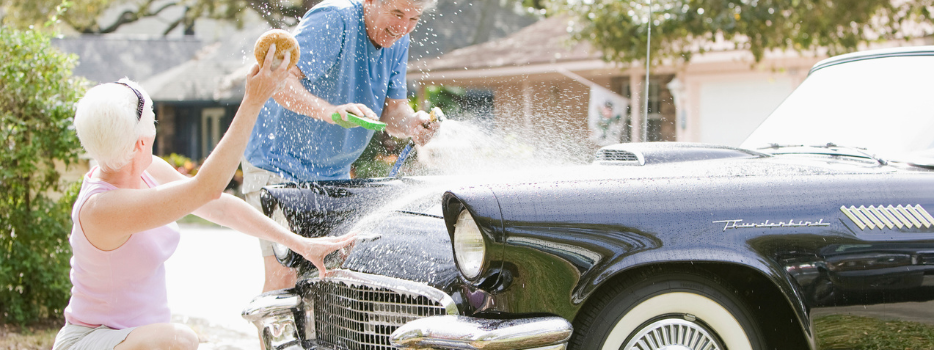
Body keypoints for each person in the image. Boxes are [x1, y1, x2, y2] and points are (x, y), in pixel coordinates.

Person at [53, 47, 356, 350]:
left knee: (178, 339)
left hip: (135, 338)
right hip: (92, 341)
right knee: (180, 339)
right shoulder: (101, 208)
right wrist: (253, 101)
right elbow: (206, 188)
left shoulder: (149, 169)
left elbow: (218, 206)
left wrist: (301, 244)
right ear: (141, 141)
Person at [242, 0, 440, 292]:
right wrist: (331, 112)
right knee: (286, 276)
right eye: (397, 13)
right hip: (278, 164)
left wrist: (411, 123)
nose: (402, 26)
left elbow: (393, 111)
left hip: (334, 172)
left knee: (333, 275)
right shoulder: (333, 19)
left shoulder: (398, 39)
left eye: (413, 18)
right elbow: (277, 82)